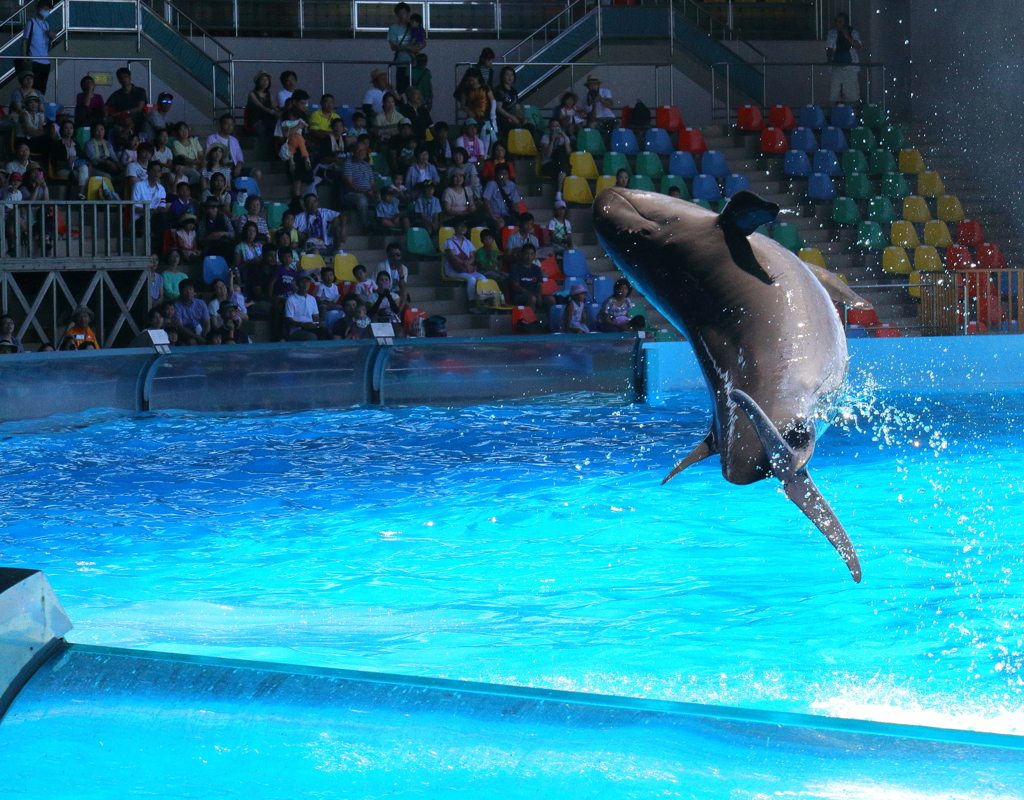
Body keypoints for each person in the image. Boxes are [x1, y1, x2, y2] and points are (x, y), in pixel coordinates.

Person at [206, 114, 260, 182]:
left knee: (257, 173)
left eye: (232, 125)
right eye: (227, 124)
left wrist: (238, 167)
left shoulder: (234, 140)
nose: (230, 127)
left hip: (234, 167)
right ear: (220, 125)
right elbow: (210, 156)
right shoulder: (212, 138)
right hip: (220, 168)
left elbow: (240, 157)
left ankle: (252, 190)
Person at [443, 219, 485, 302]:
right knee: (471, 279)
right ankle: (472, 302)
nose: (463, 228)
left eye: (464, 226)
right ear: (455, 228)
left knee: (482, 278)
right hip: (454, 270)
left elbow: (472, 256)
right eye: (460, 226)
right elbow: (451, 256)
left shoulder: (468, 242)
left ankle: (482, 301)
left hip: (466, 268)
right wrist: (465, 263)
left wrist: (468, 263)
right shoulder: (449, 241)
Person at [826, 12, 863, 107]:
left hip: (850, 66)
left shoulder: (853, 32)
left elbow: (858, 45)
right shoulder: (832, 33)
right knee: (834, 92)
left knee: (851, 93)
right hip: (836, 66)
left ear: (845, 23)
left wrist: (847, 36)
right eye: (836, 21)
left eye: (840, 22)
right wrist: (829, 58)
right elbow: (829, 48)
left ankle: (851, 114)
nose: (838, 24)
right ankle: (835, 114)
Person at [341, 140, 378, 227]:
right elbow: (349, 184)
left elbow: (372, 183)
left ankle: (380, 223)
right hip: (353, 193)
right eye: (358, 150)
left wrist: (375, 192)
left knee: (381, 198)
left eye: (363, 150)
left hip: (368, 192)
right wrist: (365, 193)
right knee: (362, 200)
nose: (361, 152)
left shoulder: (367, 165)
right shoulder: (348, 164)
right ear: (354, 151)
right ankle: (365, 224)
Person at [388, 2, 422, 93]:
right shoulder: (393, 28)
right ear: (396, 14)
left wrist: (417, 49)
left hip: (414, 64)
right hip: (401, 63)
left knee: (414, 91)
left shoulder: (413, 26)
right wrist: (408, 48)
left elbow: (423, 41)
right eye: (399, 12)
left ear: (408, 14)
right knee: (401, 90)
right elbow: (393, 46)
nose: (401, 14)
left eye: (404, 12)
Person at [22, 2, 55, 94]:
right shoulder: (31, 23)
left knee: (42, 88)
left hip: (46, 61)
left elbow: (48, 43)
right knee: (33, 87)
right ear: (39, 8)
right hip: (34, 60)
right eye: (45, 9)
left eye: (48, 10)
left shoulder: (46, 24)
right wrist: (24, 58)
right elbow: (25, 41)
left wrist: (51, 36)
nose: (47, 11)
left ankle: (40, 105)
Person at [509, 243, 551, 312]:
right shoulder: (515, 268)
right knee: (532, 298)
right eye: (526, 254)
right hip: (520, 296)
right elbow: (515, 286)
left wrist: (539, 294)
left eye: (531, 254)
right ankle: (531, 321)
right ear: (522, 255)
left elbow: (539, 285)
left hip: (535, 294)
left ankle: (552, 321)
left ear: (534, 256)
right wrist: (530, 293)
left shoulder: (536, 269)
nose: (529, 257)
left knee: (550, 299)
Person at [284, 275, 329, 341]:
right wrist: (304, 324)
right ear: (297, 284)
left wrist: (319, 322)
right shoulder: (291, 299)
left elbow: (315, 316)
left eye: (307, 282)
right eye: (302, 282)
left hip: (310, 327)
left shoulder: (312, 298)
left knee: (326, 334)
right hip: (297, 330)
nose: (305, 284)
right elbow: (289, 320)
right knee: (312, 337)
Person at [540, 118, 571, 201]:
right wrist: (552, 140)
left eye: (557, 126)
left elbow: (568, 152)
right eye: (553, 126)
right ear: (549, 128)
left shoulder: (564, 137)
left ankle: (558, 192)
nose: (555, 128)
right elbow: (547, 154)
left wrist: (564, 138)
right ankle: (559, 192)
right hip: (549, 164)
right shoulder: (545, 138)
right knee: (562, 168)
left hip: (561, 164)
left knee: (562, 167)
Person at [493, 66, 529, 135]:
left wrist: (522, 117)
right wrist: (511, 117)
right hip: (502, 119)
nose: (510, 77)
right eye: (507, 74)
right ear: (502, 76)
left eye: (512, 75)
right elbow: (499, 108)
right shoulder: (499, 90)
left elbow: (517, 108)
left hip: (513, 117)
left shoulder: (514, 91)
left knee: (529, 127)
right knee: (515, 128)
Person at [246, 71, 279, 140]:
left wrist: (279, 112)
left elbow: (273, 105)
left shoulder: (268, 93)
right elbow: (261, 107)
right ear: (258, 81)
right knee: (263, 126)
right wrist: (273, 112)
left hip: (268, 118)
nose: (265, 82)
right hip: (256, 119)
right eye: (262, 80)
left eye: (267, 80)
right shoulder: (252, 94)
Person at [377, 242, 411, 308]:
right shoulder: (381, 266)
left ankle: (397, 314)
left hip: (395, 292)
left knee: (406, 299)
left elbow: (403, 288)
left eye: (398, 255)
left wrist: (401, 275)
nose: (395, 257)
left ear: (401, 256)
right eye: (392, 255)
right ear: (388, 255)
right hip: (382, 291)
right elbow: (374, 285)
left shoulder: (403, 268)